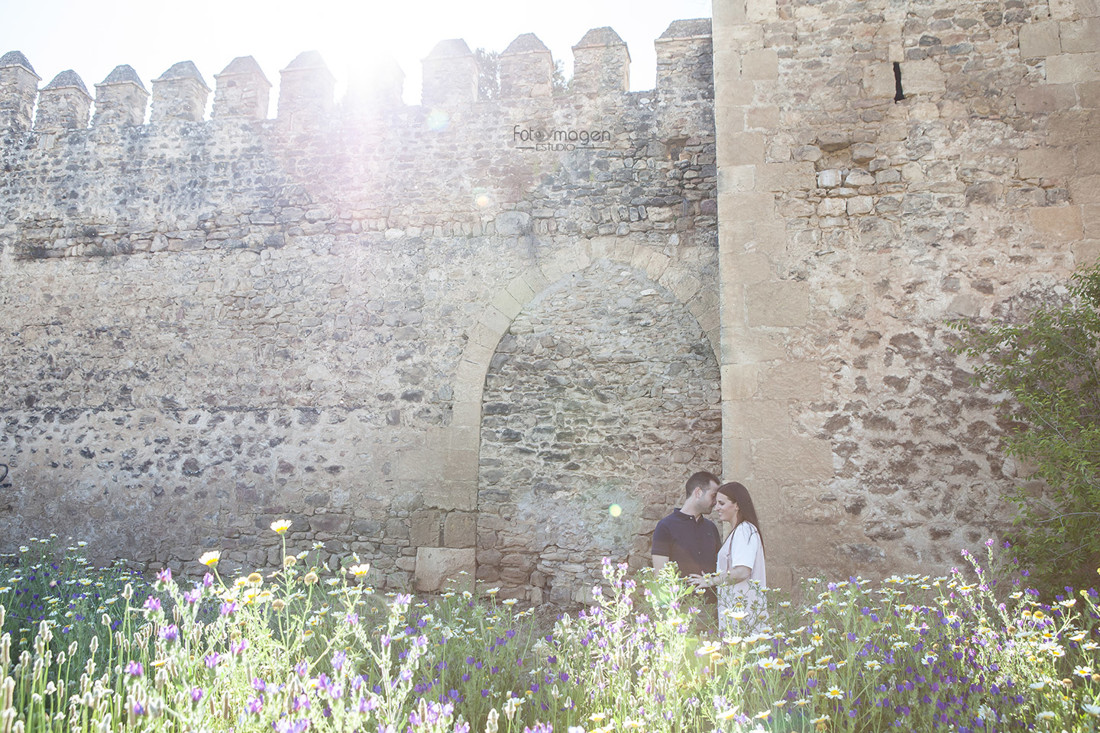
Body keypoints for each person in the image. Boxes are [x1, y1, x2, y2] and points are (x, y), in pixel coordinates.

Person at [691, 481, 767, 633]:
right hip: (737, 613)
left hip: (743, 616)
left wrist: (710, 581)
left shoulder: (744, 530)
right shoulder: (740, 531)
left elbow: (742, 571)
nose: (717, 507)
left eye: (721, 503)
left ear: (737, 505)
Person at [651, 470, 721, 588]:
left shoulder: (711, 528)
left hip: (711, 604)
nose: (715, 502)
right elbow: (660, 574)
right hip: (680, 603)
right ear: (698, 492)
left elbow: (720, 568)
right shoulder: (665, 526)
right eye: (713, 496)